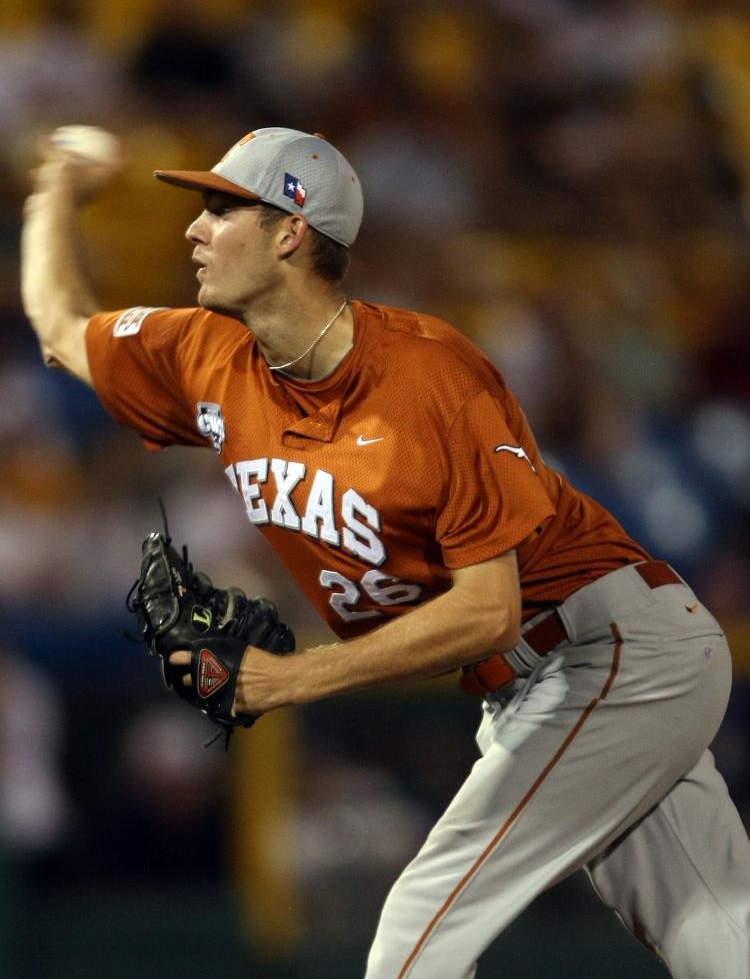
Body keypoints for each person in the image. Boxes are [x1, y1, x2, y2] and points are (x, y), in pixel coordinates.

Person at [21, 126, 750, 979]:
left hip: (609, 652)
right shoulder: (207, 354)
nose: (194, 227)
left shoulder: (429, 375)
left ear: (291, 230)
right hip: (540, 687)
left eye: (222, 208)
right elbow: (60, 328)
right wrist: (53, 195)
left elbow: (490, 607)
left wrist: (289, 676)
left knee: (416, 933)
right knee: (720, 938)